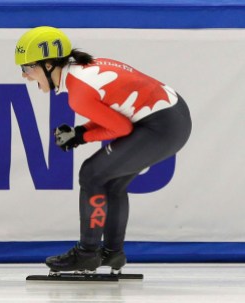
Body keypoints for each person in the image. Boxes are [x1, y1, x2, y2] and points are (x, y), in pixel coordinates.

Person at [14, 26, 192, 274]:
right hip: (171, 118)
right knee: (113, 182)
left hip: (159, 126)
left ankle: (87, 253)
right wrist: (79, 133)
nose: (24, 75)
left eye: (27, 68)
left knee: (91, 174)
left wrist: (82, 135)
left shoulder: (78, 93)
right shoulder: (82, 70)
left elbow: (121, 127)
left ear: (49, 64)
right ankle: (112, 253)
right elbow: (115, 113)